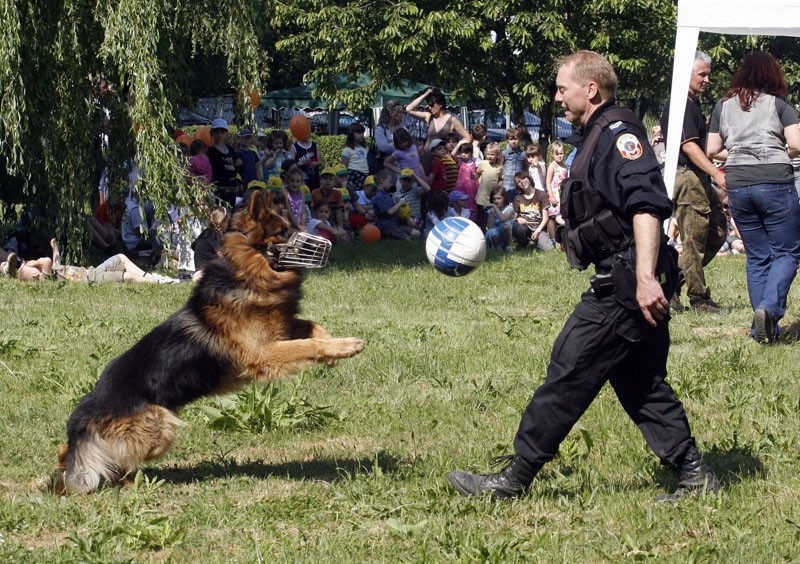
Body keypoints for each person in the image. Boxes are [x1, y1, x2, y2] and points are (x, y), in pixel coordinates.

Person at [449, 50, 719, 503]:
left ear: (589, 89)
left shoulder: (618, 133)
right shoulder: (596, 134)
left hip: (629, 279)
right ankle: (694, 473)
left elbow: (647, 205)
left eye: (561, 88)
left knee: (569, 368)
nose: (556, 97)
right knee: (639, 380)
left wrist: (647, 278)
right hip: (627, 274)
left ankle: (514, 478)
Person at [705, 50, 800, 343]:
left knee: (758, 257)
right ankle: (769, 309)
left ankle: (761, 331)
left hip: (738, 182)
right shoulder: (780, 103)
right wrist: (777, 152)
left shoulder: (724, 106)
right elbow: (797, 144)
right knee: (788, 251)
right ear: (773, 74)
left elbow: (711, 149)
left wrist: (738, 151)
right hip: (774, 180)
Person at [660, 50, 727, 314]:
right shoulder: (680, 104)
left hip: (697, 175)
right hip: (688, 175)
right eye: (703, 74)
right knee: (695, 241)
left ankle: (673, 283)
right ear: (686, 74)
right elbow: (689, 147)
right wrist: (717, 173)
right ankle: (699, 299)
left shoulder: (692, 103)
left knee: (718, 230)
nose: (707, 80)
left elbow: (704, 146)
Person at [405, 87, 471, 173]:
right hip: (427, 159)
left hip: (443, 162)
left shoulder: (452, 120)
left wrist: (455, 148)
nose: (429, 107)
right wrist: (424, 95)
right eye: (429, 105)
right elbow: (408, 109)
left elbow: (468, 138)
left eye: (432, 105)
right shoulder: (429, 117)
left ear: (440, 104)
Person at [372, 170, 420, 240]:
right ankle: (396, 239)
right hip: (387, 227)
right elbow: (389, 212)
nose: (391, 184)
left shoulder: (386, 194)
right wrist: (400, 203)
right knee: (408, 241)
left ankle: (401, 238)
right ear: (382, 181)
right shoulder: (379, 196)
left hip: (395, 224)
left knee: (417, 234)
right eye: (389, 181)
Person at [206, 118, 243, 207]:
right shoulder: (211, 151)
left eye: (222, 132)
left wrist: (231, 168)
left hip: (233, 188)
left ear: (226, 133)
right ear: (212, 133)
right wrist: (233, 168)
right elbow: (218, 170)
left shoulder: (230, 149)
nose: (219, 135)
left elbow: (241, 166)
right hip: (220, 189)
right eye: (216, 132)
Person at [512, 171, 553, 250]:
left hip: (539, 229)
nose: (522, 182)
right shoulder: (517, 198)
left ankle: (536, 242)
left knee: (548, 249)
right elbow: (512, 218)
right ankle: (523, 243)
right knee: (517, 228)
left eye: (523, 178)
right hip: (524, 228)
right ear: (518, 186)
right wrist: (517, 219)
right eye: (519, 182)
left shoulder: (542, 195)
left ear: (529, 178)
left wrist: (537, 231)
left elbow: (545, 218)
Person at [191, 206, 229, 281]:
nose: (228, 224)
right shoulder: (214, 235)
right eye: (227, 221)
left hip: (199, 268)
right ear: (223, 222)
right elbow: (222, 255)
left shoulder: (206, 233)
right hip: (208, 269)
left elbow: (193, 246)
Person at [475, 142, 503, 230]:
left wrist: (498, 188)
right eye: (488, 154)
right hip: (481, 197)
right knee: (481, 218)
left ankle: (491, 233)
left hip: (492, 198)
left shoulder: (499, 167)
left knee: (491, 217)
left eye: (492, 154)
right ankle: (481, 233)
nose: (489, 156)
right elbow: (478, 174)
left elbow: (501, 179)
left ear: (497, 155)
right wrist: (474, 176)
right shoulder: (483, 164)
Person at [374, 99, 407, 175]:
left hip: (403, 167)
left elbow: (408, 142)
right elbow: (383, 148)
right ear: (391, 114)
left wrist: (391, 143)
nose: (402, 114)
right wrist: (401, 144)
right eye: (399, 112)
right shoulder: (380, 129)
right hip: (388, 170)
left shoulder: (401, 126)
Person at [311, 167, 345, 231]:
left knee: (344, 235)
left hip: (333, 217)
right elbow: (313, 211)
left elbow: (339, 212)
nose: (328, 181)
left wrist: (340, 226)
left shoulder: (337, 193)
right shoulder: (315, 192)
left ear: (334, 182)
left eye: (331, 179)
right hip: (319, 219)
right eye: (325, 179)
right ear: (320, 180)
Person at [452, 139, 479, 218]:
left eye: (466, 153)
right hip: (460, 189)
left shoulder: (475, 162)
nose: (463, 154)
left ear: (471, 153)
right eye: (462, 152)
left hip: (471, 190)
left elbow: (478, 175)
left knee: (471, 206)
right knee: (460, 205)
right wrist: (459, 143)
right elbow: (453, 154)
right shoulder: (460, 161)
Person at [290, 126, 322, 190]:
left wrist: (315, 163)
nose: (307, 134)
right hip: (301, 177)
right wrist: (300, 163)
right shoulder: (294, 147)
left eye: (308, 132)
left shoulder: (314, 145)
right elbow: (291, 164)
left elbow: (320, 161)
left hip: (314, 176)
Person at [342, 122, 370, 192]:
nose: (362, 135)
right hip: (353, 174)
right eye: (359, 133)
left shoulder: (365, 148)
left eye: (362, 133)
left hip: (365, 174)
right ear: (351, 134)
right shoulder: (347, 150)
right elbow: (344, 165)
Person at [484, 186, 515, 252]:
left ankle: (508, 247)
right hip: (496, 236)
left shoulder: (509, 209)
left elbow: (503, 219)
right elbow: (490, 227)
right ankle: (496, 248)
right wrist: (491, 212)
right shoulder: (492, 210)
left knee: (505, 226)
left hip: (506, 236)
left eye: (498, 198)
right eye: (494, 199)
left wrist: (494, 206)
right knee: (491, 232)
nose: (496, 201)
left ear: (504, 198)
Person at [502, 128, 526, 202]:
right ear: (507, 140)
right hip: (507, 184)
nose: (513, 141)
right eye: (511, 139)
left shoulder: (523, 154)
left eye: (515, 139)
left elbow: (525, 168)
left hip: (518, 184)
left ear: (519, 140)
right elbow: (500, 165)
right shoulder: (504, 153)